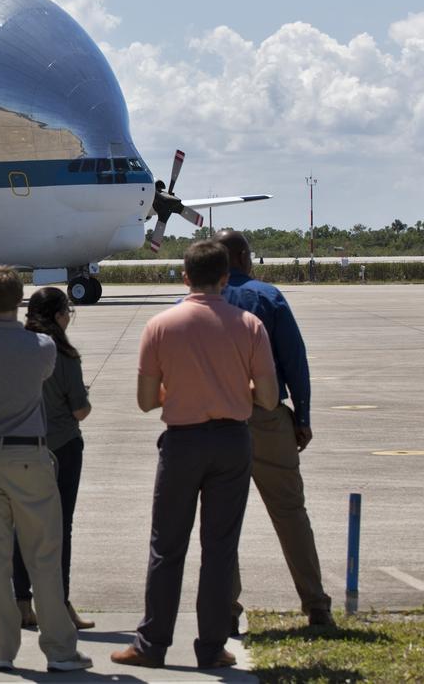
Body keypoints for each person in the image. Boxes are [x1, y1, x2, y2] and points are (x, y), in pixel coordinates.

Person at [112, 241, 279, 670]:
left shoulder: (160, 326)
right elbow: (269, 397)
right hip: (232, 441)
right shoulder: (250, 325)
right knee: (220, 548)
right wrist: (228, 390)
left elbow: (146, 401)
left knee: (167, 547)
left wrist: (182, 390)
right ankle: (210, 647)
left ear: (185, 277)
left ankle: (152, 645)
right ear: (225, 278)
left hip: (182, 443)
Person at [0, 266, 93, 673]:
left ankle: (1, 649)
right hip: (30, 455)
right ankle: (60, 650)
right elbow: (37, 372)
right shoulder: (44, 347)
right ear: (19, 301)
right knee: (44, 554)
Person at [213, 229, 334, 628]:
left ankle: (226, 612)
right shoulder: (267, 296)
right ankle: (315, 603)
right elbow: (295, 360)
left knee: (222, 519)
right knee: (290, 514)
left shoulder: (200, 300)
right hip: (266, 416)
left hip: (216, 419)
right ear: (245, 257)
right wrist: (302, 417)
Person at [11, 287, 94, 631]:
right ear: (59, 316)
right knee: (60, 527)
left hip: (21, 446)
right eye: (67, 314)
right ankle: (58, 603)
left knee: (22, 524)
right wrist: (85, 400)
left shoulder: (14, 348)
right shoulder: (63, 354)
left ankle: (21, 602)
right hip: (61, 446)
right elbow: (79, 409)